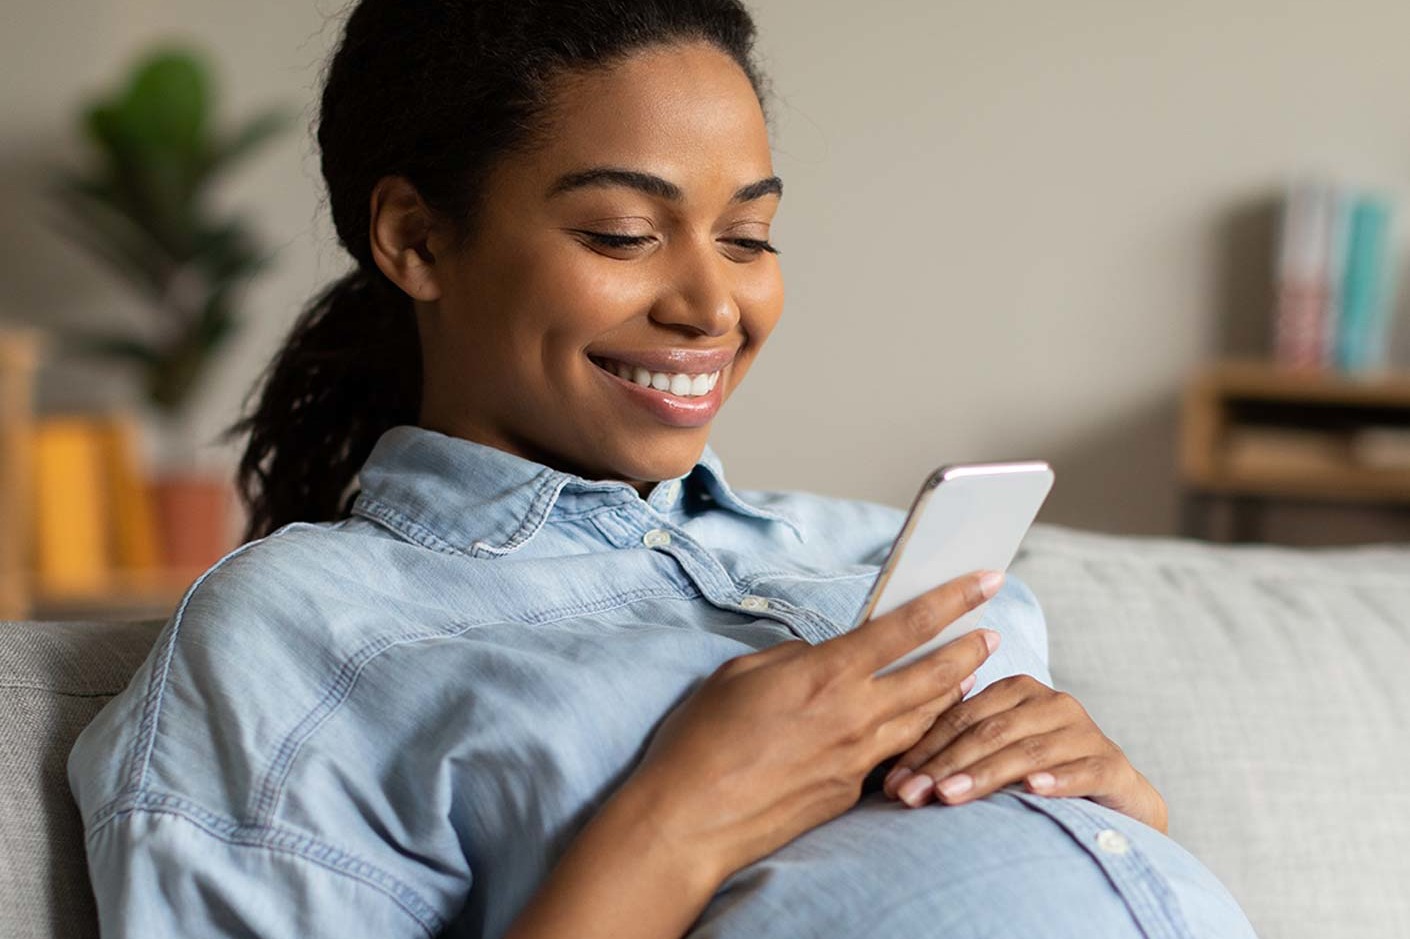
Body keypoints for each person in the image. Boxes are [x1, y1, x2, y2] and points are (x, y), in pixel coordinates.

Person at [67, 2, 1259, 937]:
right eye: (624, 235)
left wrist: (1118, 808)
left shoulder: (871, 557)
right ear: (418, 240)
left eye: (748, 236)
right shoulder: (295, 640)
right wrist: (672, 825)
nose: (710, 303)